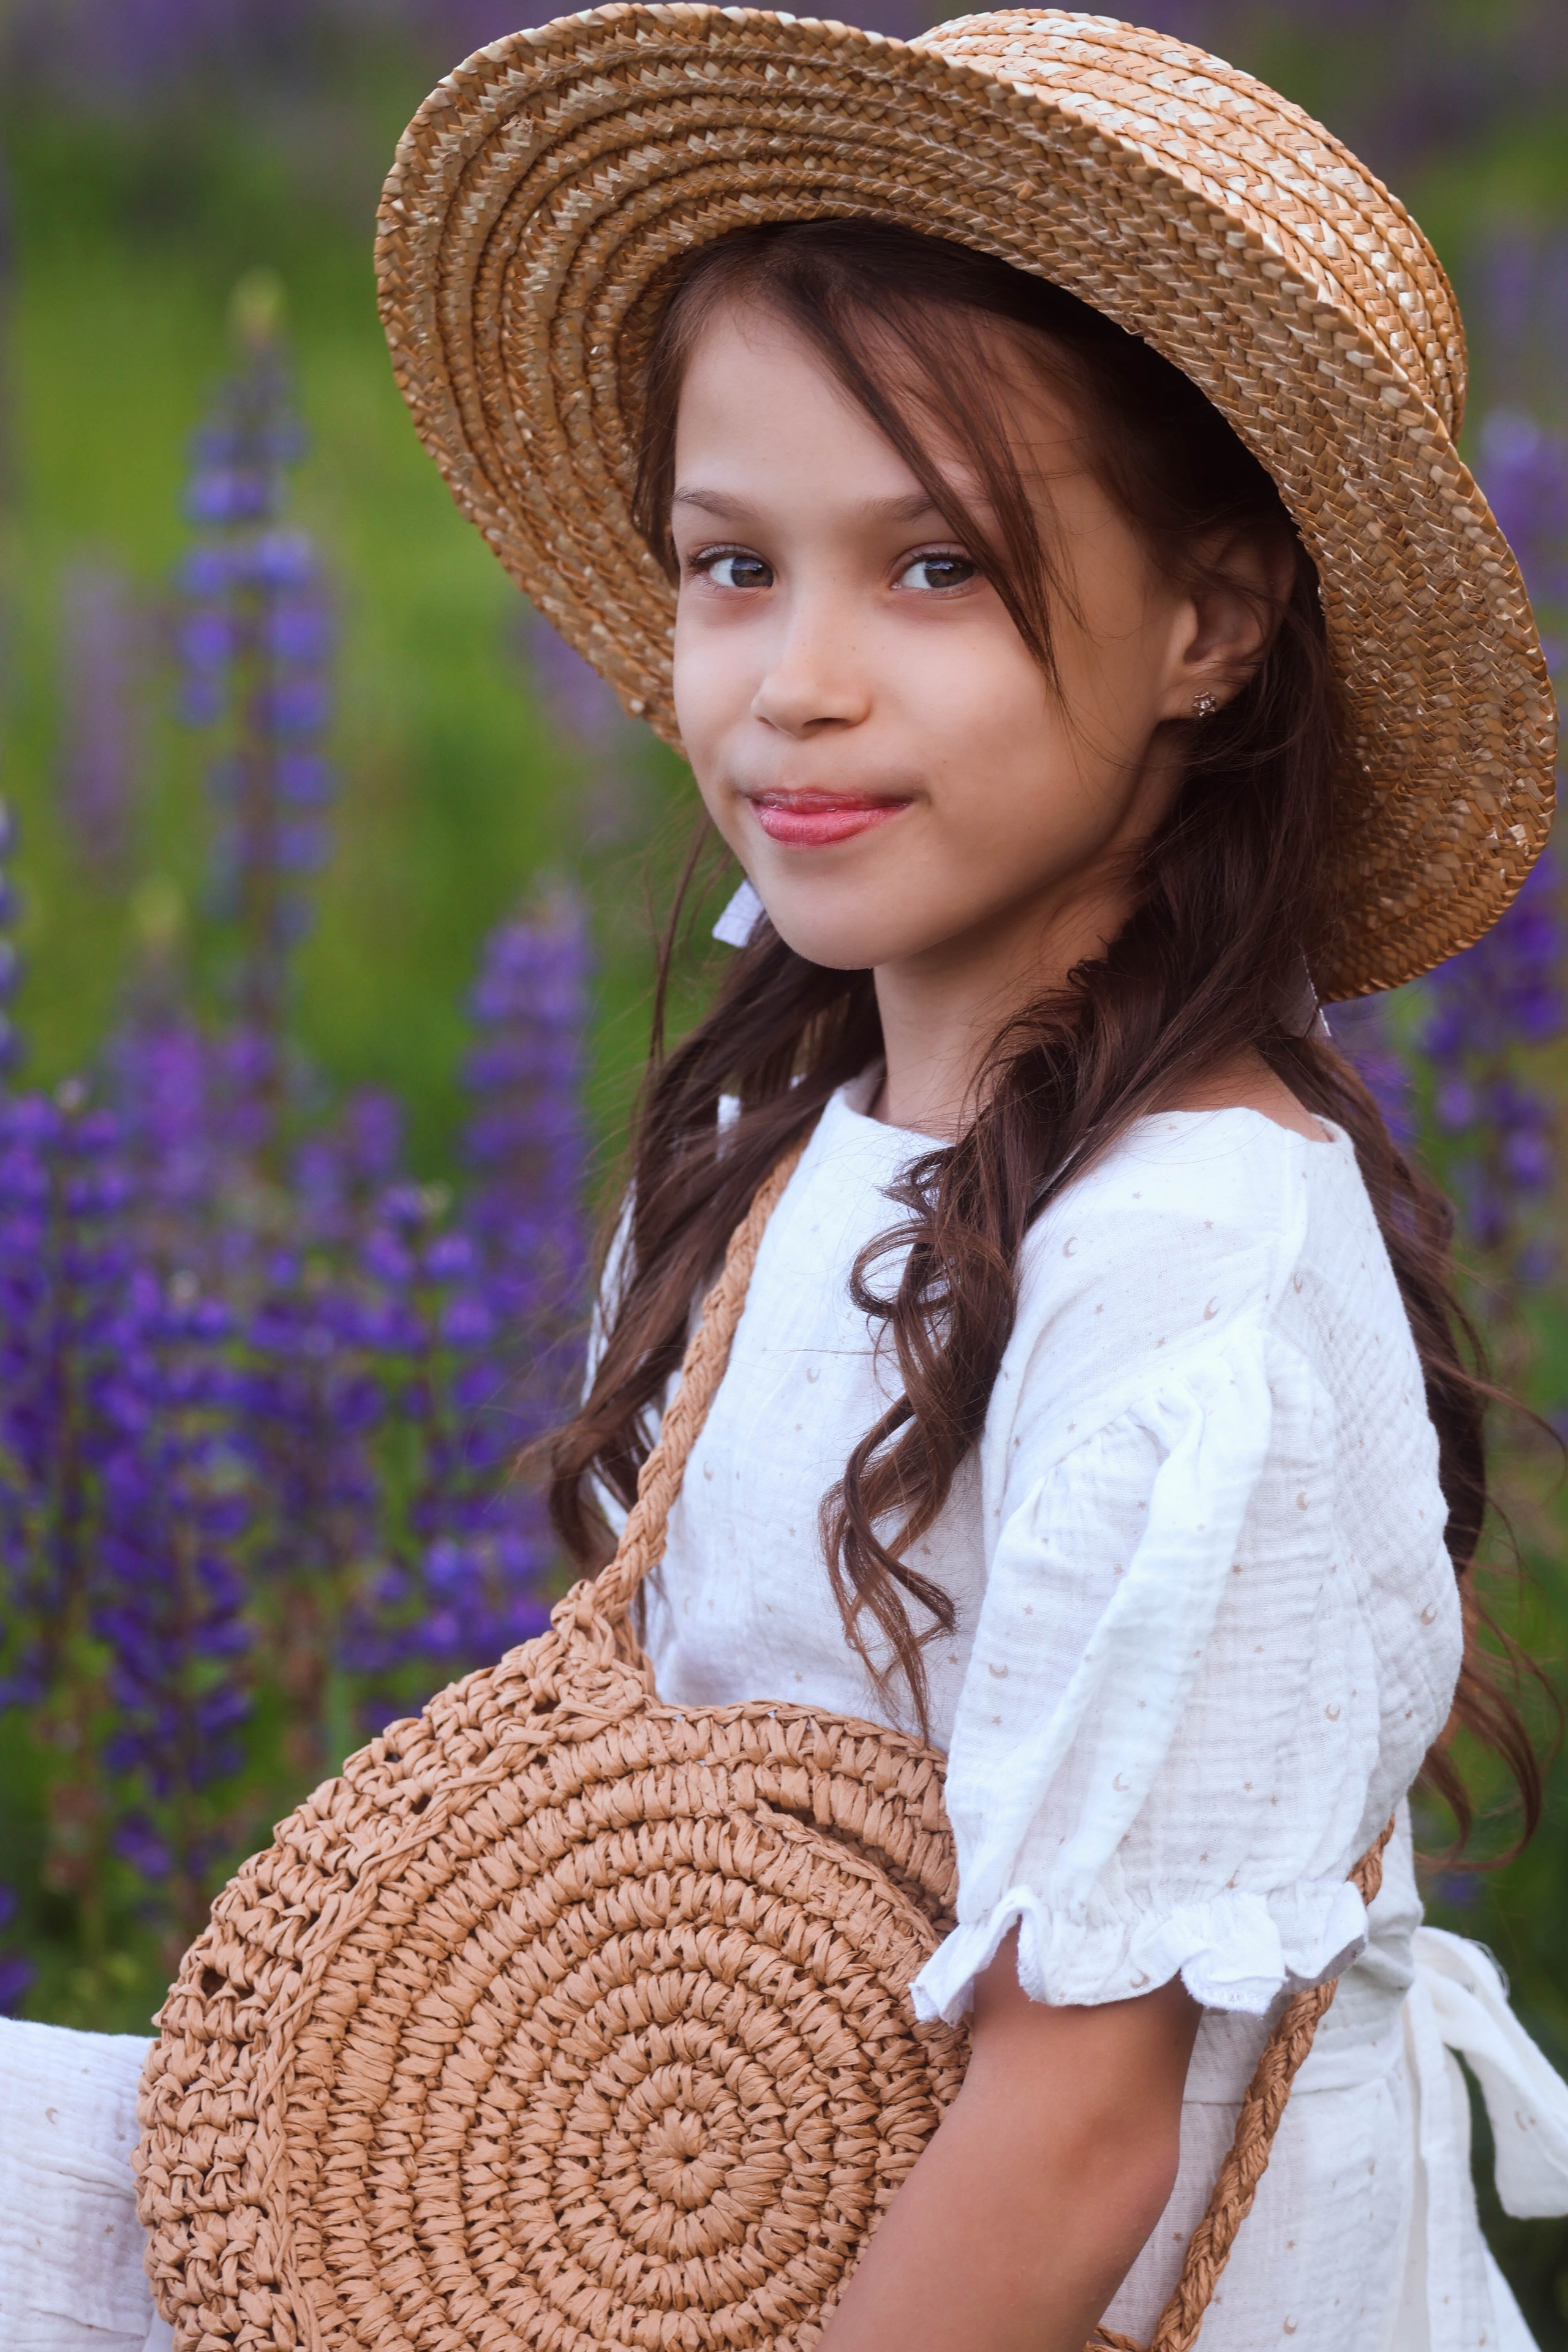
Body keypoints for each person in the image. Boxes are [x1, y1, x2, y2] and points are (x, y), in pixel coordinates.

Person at [6, 10, 1568, 2351]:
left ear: (1215, 626)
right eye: (733, 566)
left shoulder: (1189, 1271)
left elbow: (1073, 2142)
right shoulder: (788, 1149)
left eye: (935, 569)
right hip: (718, 2195)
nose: (791, 681)